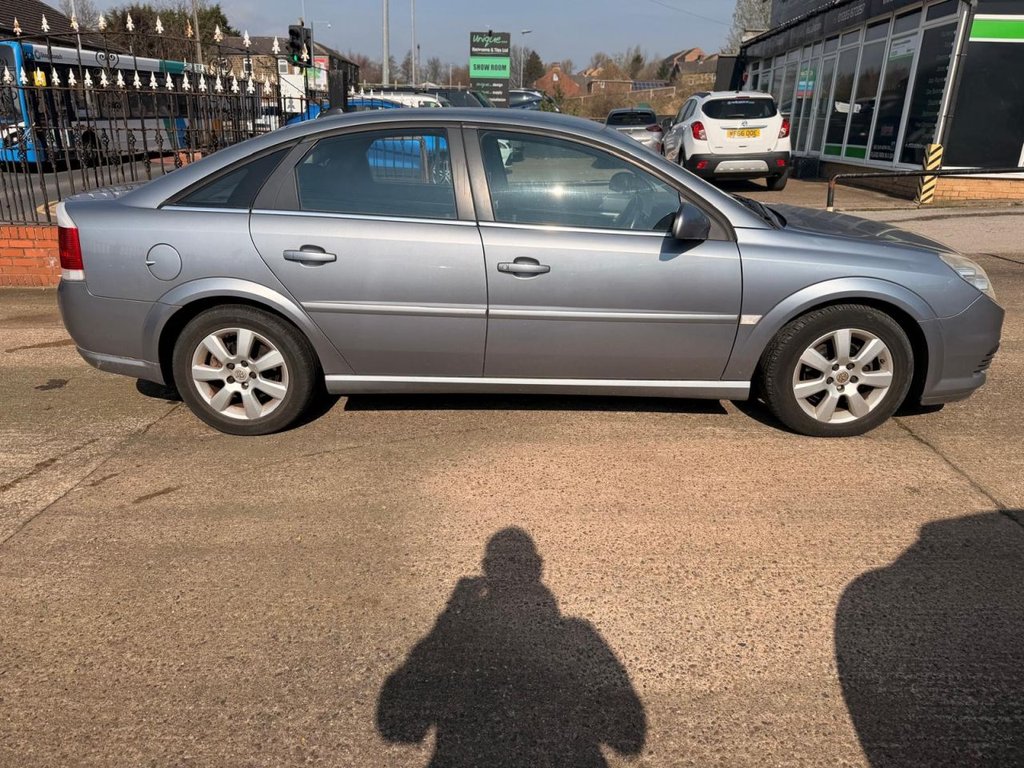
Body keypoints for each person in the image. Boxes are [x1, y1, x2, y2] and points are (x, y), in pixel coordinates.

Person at [377, 527, 646, 767]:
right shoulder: (575, 642)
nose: (512, 576)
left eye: (514, 566)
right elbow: (630, 735)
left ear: (487, 571)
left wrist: (448, 625)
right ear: (538, 568)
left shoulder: (458, 648)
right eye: (509, 566)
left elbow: (398, 725)